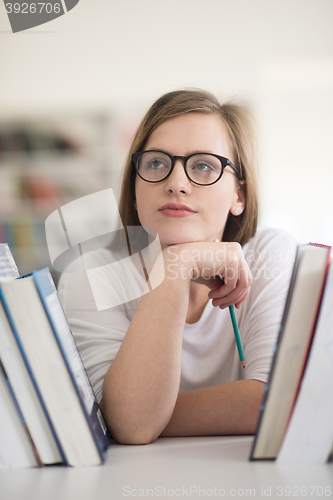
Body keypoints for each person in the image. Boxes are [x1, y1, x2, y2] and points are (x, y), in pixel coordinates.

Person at [58, 89, 297, 445]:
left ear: (239, 196)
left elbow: (272, 402)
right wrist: (175, 265)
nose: (176, 183)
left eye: (203, 165)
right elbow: (135, 428)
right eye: (156, 163)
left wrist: (134, 412)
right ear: (135, 184)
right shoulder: (90, 275)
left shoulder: (269, 255)